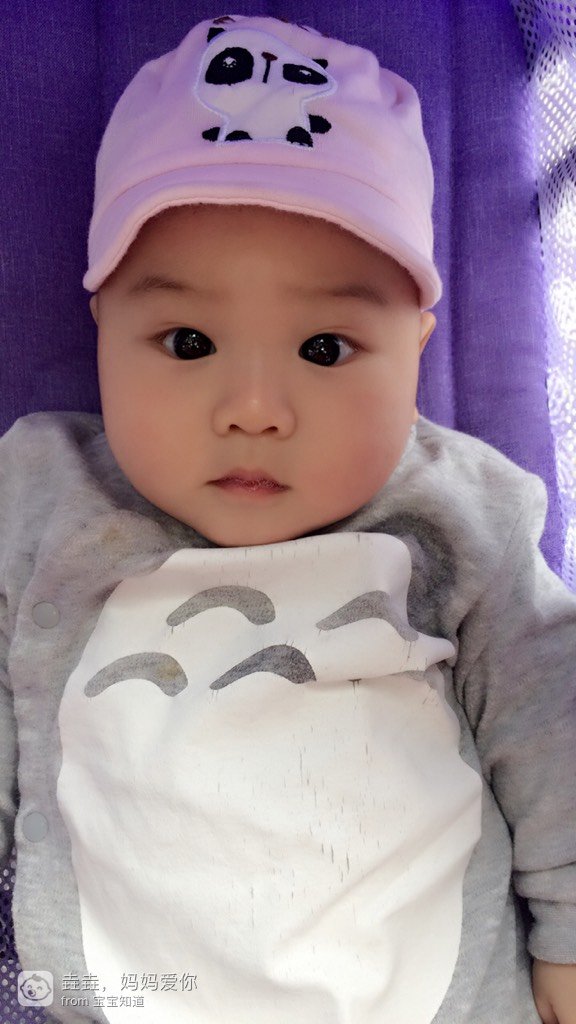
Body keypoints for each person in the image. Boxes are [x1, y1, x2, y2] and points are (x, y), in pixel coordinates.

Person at [1, 13, 574, 1024]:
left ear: (416, 347)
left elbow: (552, 727)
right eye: (187, 342)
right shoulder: (42, 495)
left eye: (325, 349)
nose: (255, 409)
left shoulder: (459, 514)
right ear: (102, 325)